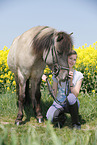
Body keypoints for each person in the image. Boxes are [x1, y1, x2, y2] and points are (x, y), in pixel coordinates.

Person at [42, 50, 84, 129]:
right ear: (65, 59)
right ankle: (62, 118)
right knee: (49, 117)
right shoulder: (57, 74)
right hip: (59, 101)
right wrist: (47, 82)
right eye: (70, 58)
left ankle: (76, 124)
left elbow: (76, 94)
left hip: (71, 103)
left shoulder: (79, 75)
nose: (72, 61)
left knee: (71, 97)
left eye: (74, 59)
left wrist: (71, 82)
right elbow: (53, 93)